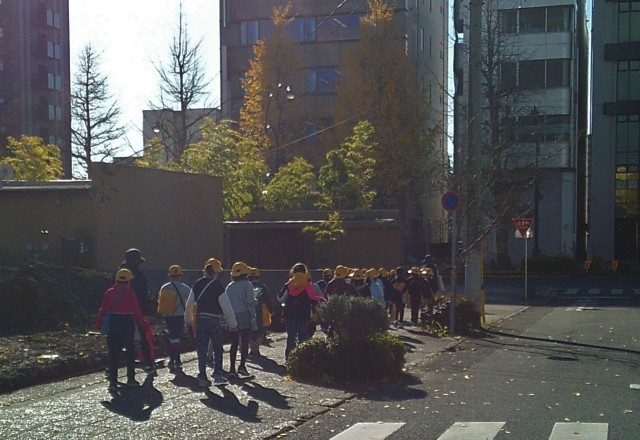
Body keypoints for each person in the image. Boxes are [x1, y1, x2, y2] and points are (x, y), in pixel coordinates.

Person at [96, 268, 149, 393]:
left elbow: (103, 309)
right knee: (130, 352)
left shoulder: (109, 292)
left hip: (113, 323)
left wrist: (99, 323)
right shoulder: (130, 293)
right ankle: (130, 379)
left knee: (113, 353)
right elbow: (136, 310)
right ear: (129, 281)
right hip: (127, 323)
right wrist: (143, 324)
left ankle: (113, 382)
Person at [185, 258, 227, 387]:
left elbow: (190, 303)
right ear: (215, 272)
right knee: (217, 347)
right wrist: (232, 322)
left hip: (200, 319)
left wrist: (188, 319)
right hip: (214, 319)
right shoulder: (218, 285)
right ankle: (218, 374)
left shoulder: (197, 284)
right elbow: (226, 305)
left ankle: (202, 376)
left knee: (201, 348)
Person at [277, 262, 326, 360]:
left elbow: (280, 298)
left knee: (291, 337)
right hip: (304, 314)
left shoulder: (289, 284)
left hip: (290, 314)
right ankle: (303, 358)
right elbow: (315, 298)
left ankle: (289, 358)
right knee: (303, 336)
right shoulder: (309, 285)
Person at [118, 248, 155, 374]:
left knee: (120, 339)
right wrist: (147, 312)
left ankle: (112, 366)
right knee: (142, 338)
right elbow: (143, 295)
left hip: (120, 311)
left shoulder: (118, 275)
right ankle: (148, 364)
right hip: (138, 310)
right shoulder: (140, 276)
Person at [225, 262, 257, 378]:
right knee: (244, 341)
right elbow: (250, 301)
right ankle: (242, 366)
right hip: (244, 315)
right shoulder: (247, 284)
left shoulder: (229, 286)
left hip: (232, 315)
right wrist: (256, 301)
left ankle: (231, 369)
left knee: (234, 342)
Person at [157, 265, 190, 369]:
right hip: (180, 315)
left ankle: (174, 358)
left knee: (172, 336)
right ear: (180, 276)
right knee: (178, 336)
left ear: (169, 276)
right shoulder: (185, 288)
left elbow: (160, 302)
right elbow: (190, 302)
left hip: (168, 315)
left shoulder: (164, 287)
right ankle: (175, 358)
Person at [247, 267, 274, 356]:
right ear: (258, 276)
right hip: (259, 312)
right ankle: (256, 350)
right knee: (260, 331)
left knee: (250, 332)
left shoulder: (246, 286)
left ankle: (252, 350)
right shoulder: (262, 286)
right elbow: (268, 299)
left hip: (247, 312)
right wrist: (271, 310)